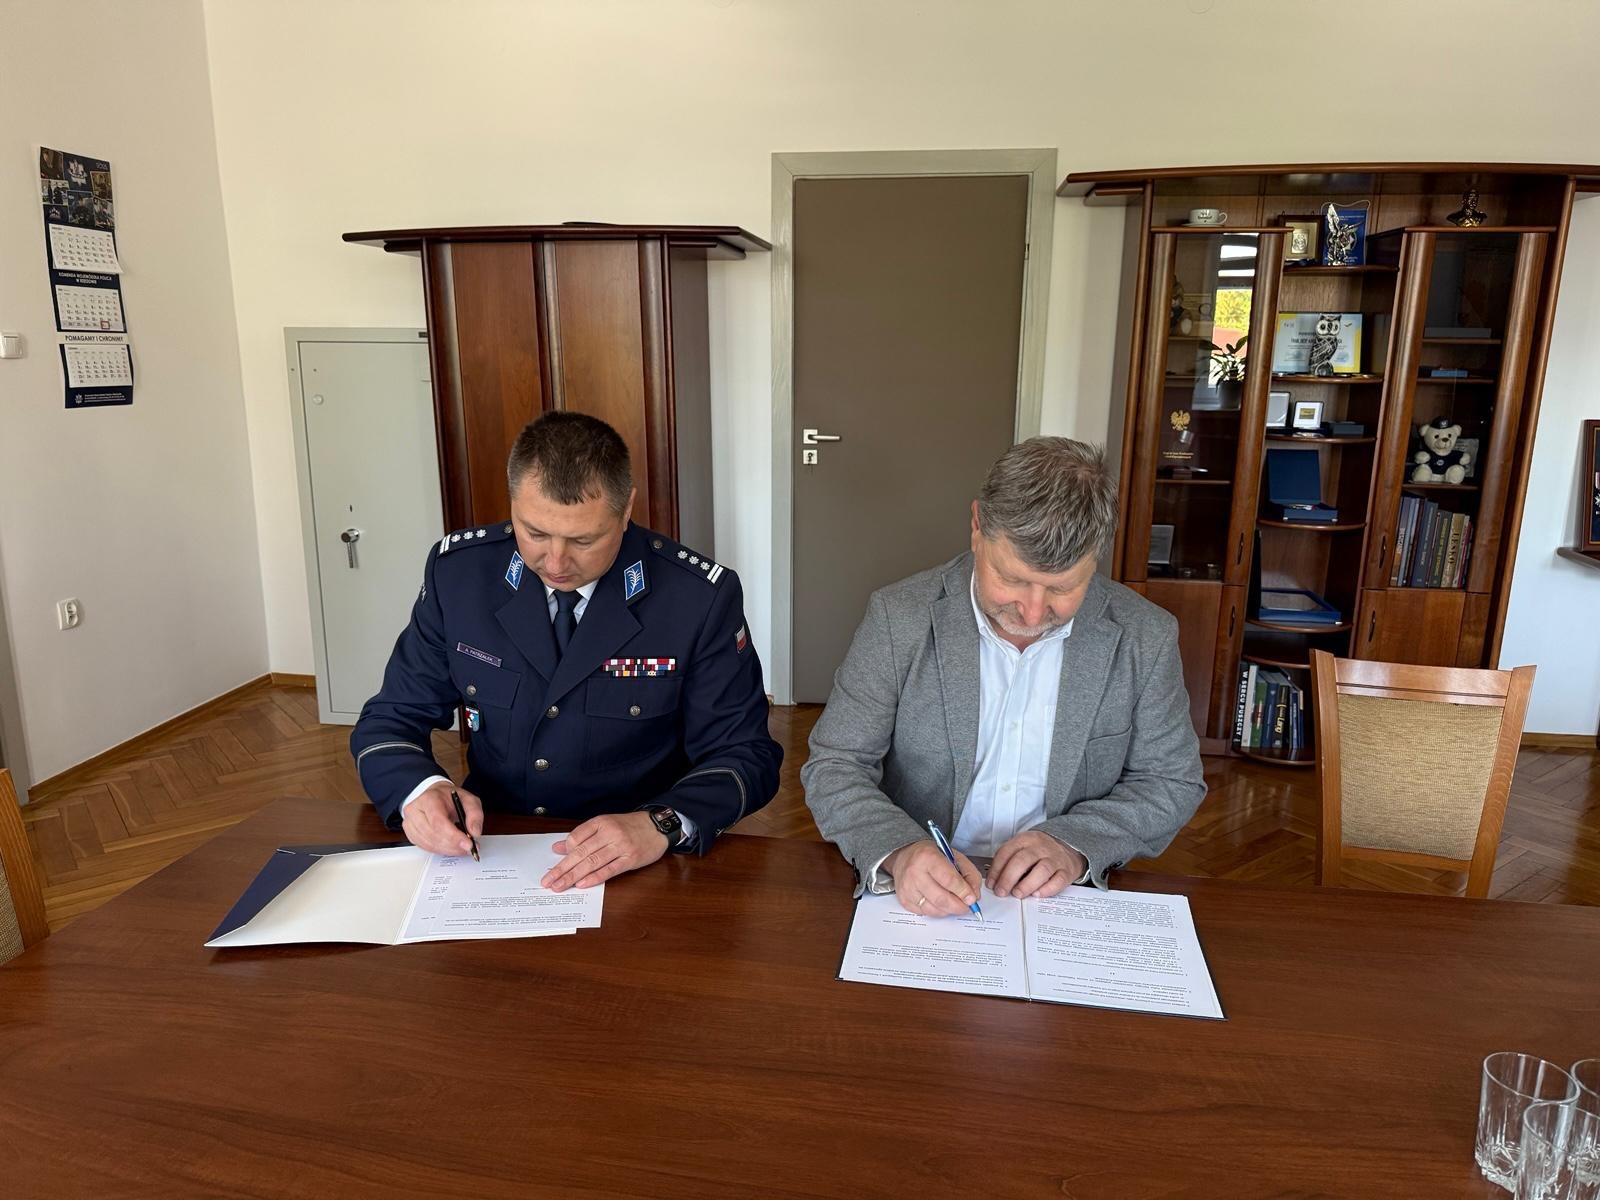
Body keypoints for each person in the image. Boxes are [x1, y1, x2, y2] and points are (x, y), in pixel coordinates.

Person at [352, 412, 781, 891]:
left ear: (626, 509)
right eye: (534, 533)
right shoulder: (459, 576)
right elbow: (391, 717)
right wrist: (419, 788)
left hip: (639, 863)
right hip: (492, 849)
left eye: (583, 540)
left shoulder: (696, 598)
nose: (555, 562)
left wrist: (661, 822)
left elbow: (745, 754)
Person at [802, 437, 1205, 916]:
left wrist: (1074, 844)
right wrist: (899, 850)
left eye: (1062, 588)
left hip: (1061, 900)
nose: (1032, 612)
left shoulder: (1145, 636)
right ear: (977, 526)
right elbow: (836, 764)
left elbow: (1170, 780)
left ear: (1095, 557)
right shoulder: (899, 618)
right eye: (1012, 579)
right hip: (924, 897)